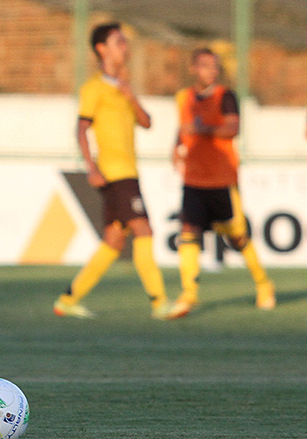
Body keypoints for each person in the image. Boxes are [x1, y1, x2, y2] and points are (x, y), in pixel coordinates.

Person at [53, 22, 174, 320]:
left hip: (129, 171)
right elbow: (81, 129)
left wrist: (131, 95)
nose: (125, 47)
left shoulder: (122, 87)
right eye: (119, 42)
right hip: (115, 173)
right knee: (143, 229)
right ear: (101, 49)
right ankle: (160, 302)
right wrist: (91, 168)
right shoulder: (94, 88)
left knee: (114, 239)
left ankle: (68, 300)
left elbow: (147, 123)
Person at [168, 48, 275, 318]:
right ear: (193, 68)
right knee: (189, 233)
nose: (211, 71)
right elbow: (183, 126)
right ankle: (189, 295)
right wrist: (176, 146)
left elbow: (232, 128)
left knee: (237, 237)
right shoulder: (183, 97)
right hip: (193, 178)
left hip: (221, 179)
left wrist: (205, 129)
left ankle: (263, 284)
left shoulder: (225, 96)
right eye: (205, 66)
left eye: (214, 66)